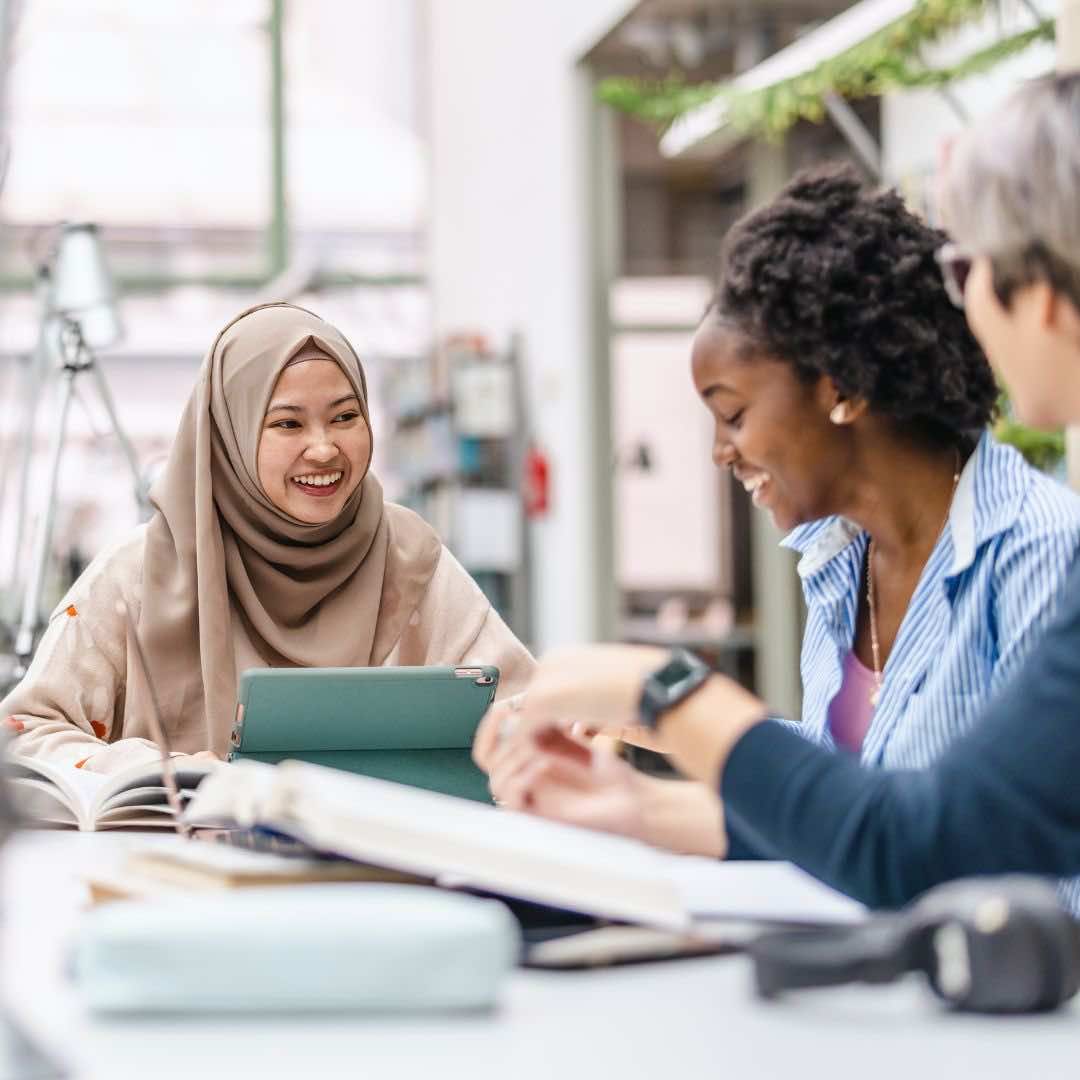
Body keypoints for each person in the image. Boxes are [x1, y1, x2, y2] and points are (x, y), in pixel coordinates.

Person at [485, 72, 1080, 910]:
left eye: (974, 265)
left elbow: (930, 839)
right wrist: (648, 801)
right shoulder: (838, 565)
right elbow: (862, 801)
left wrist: (666, 694)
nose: (969, 298)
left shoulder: (1046, 554)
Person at [1, 302, 533, 774]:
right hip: (177, 872)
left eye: (345, 417)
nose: (324, 449)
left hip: (370, 874)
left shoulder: (410, 559)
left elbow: (523, 710)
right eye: (287, 424)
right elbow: (26, 733)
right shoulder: (138, 572)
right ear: (228, 434)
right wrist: (169, 772)